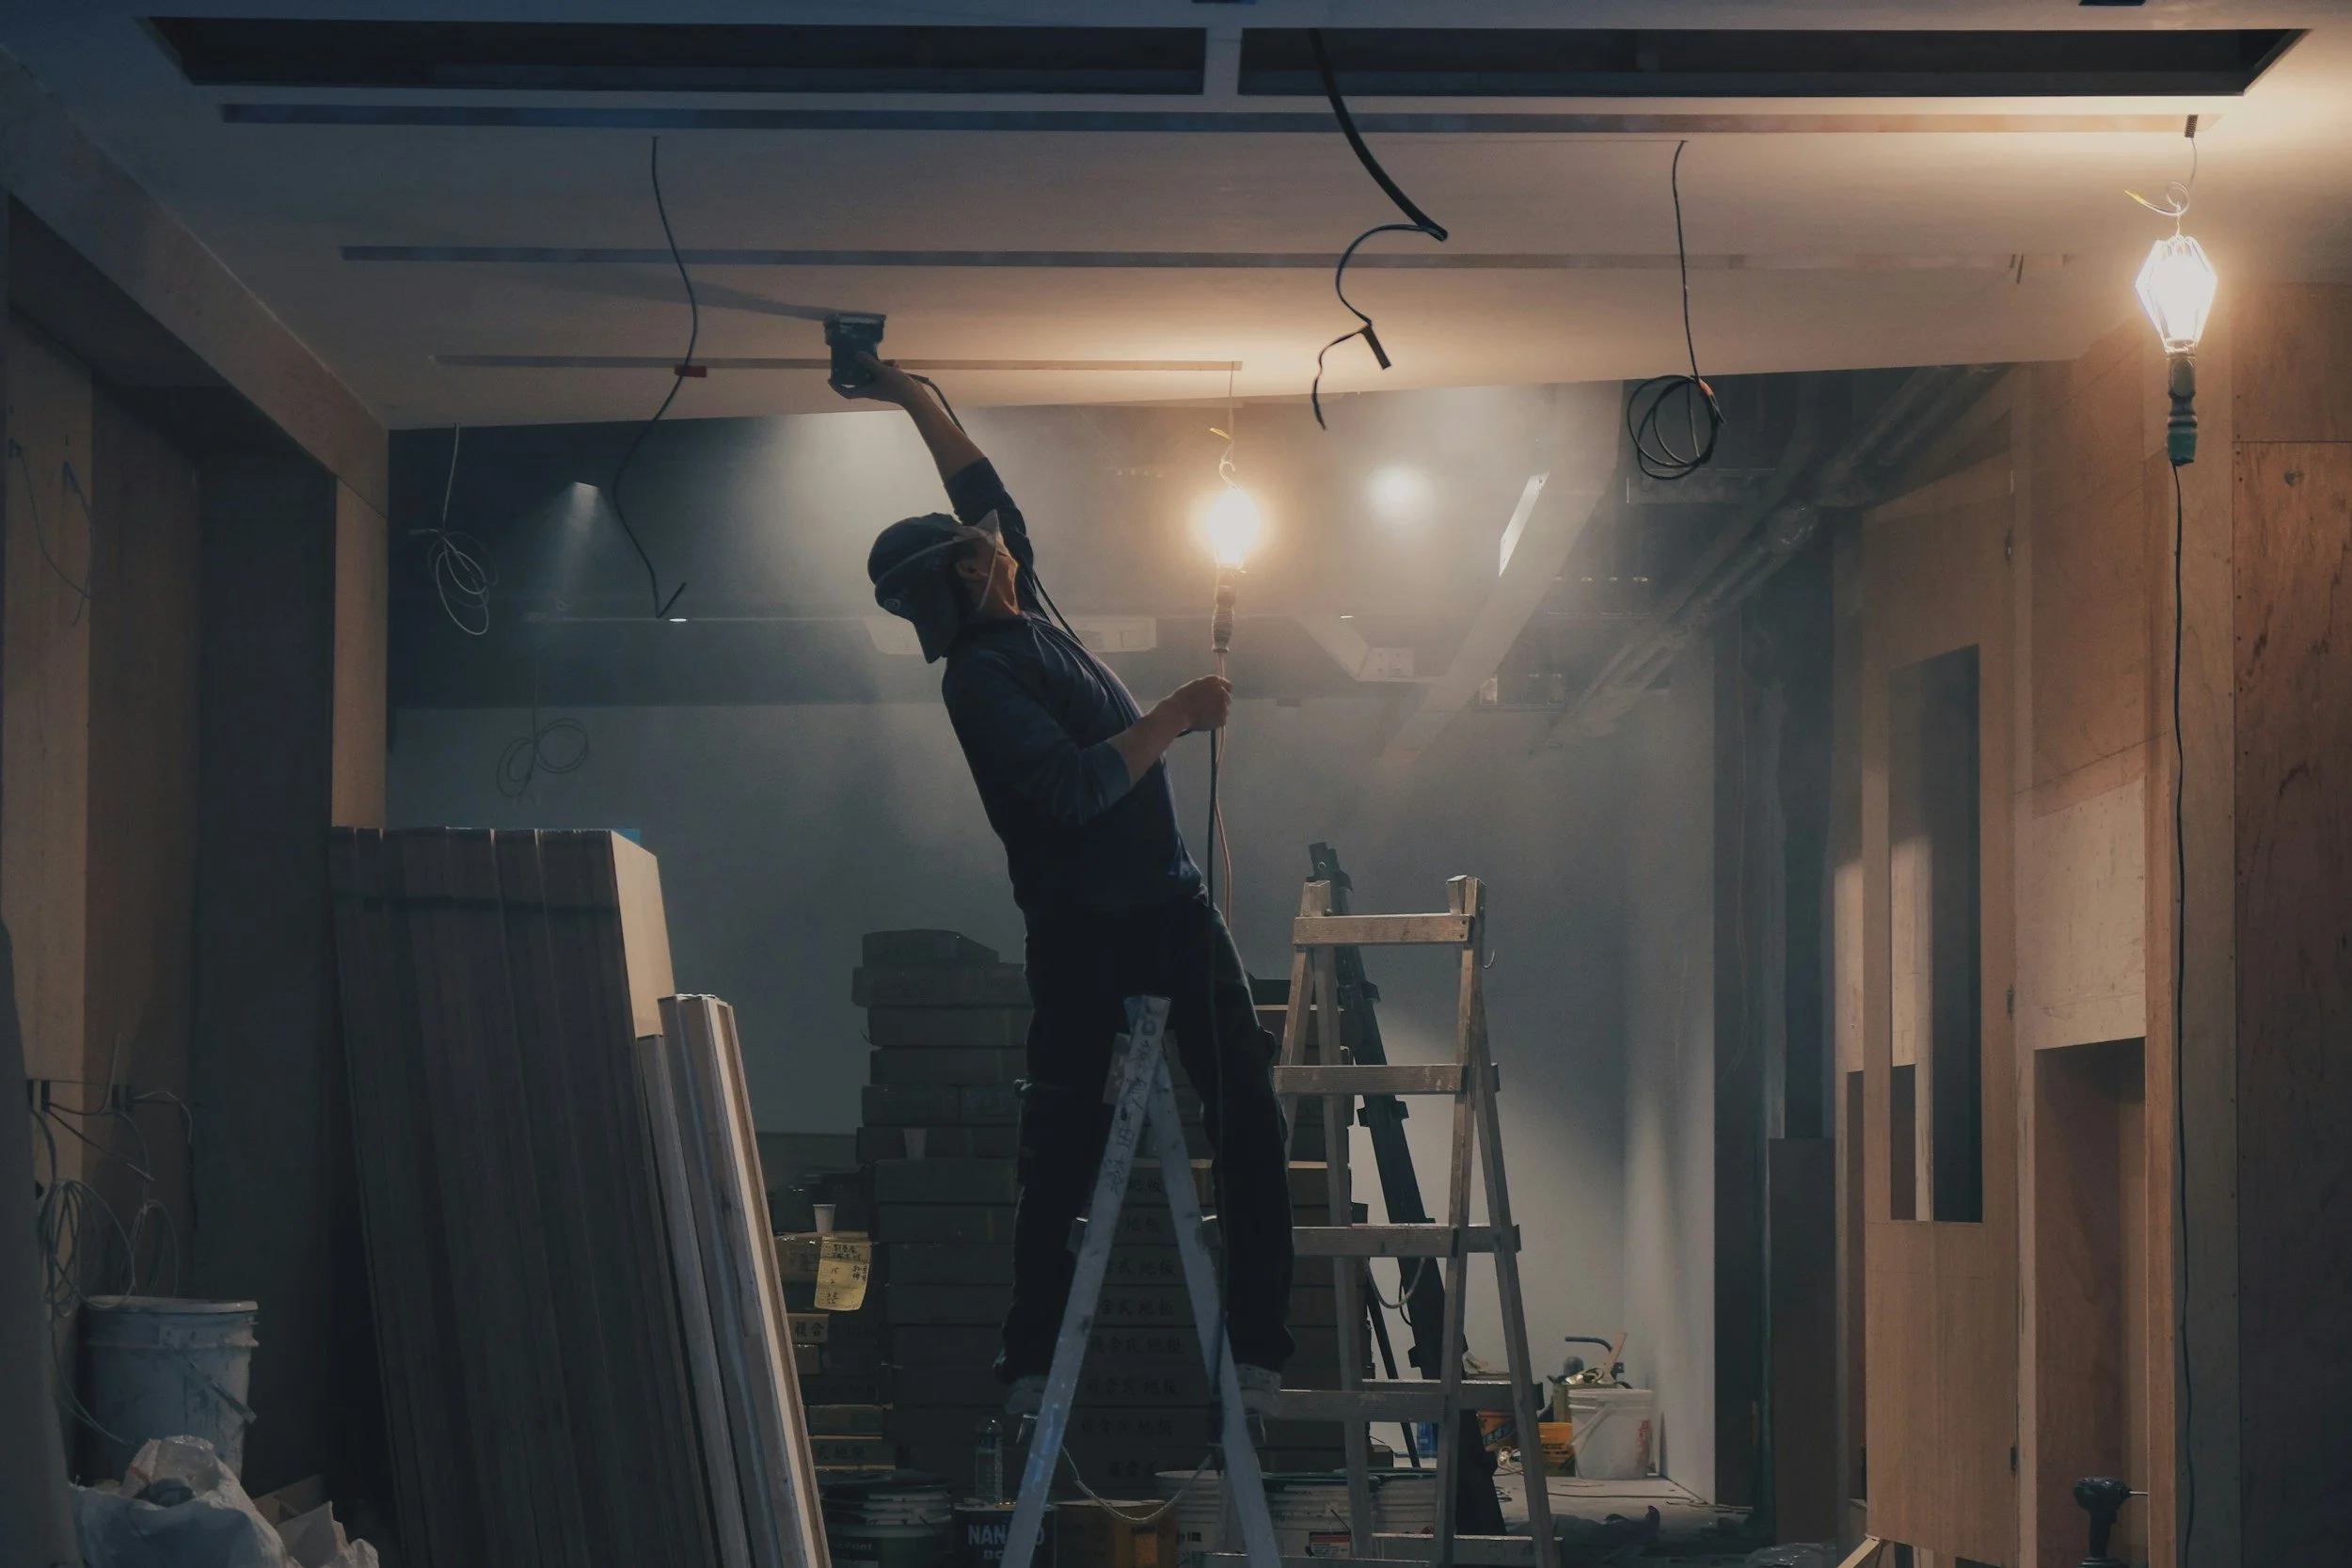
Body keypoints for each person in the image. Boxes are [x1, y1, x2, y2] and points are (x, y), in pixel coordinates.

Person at [850, 358, 1294, 1415]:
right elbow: (1078, 784)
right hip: (1090, 935)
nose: (994, 536)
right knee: (1063, 1146)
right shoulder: (984, 675)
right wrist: (1177, 713)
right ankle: (1031, 1355)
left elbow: (983, 491)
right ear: (967, 576)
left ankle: (1260, 1347)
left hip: (1169, 907)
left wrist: (912, 394)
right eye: (977, 546)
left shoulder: (1022, 613)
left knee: (1247, 1118)